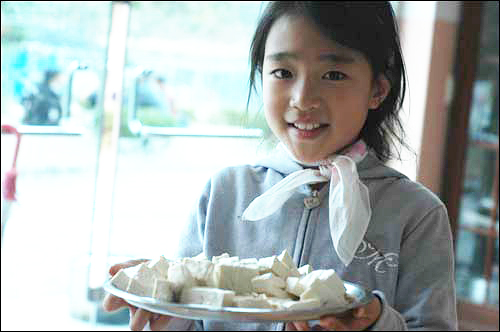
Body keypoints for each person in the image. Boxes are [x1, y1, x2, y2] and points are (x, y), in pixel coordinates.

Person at [103, 2, 458, 331]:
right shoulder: (225, 192)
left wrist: (376, 323)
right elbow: (194, 319)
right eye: (283, 71)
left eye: (333, 74)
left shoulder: (417, 215)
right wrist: (160, 300)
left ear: (378, 89)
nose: (303, 98)